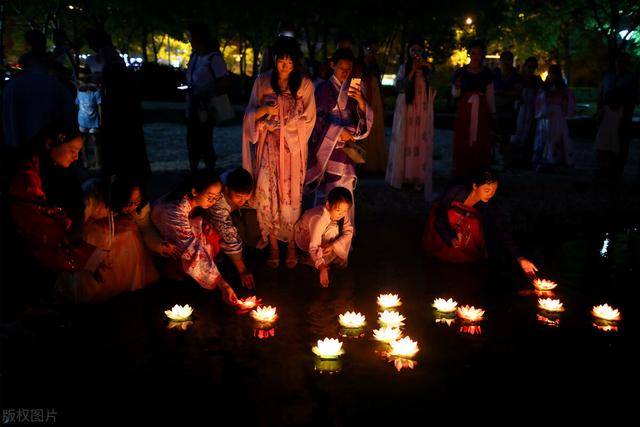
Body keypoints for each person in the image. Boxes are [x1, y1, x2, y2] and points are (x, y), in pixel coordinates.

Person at [242, 36, 316, 269]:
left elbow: (309, 119)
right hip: (268, 149)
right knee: (268, 194)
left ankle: (292, 244)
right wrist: (263, 112)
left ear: (296, 62)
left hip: (291, 149)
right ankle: (274, 245)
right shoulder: (262, 81)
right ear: (274, 59)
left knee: (290, 195)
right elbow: (249, 115)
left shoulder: (304, 85)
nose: (284, 65)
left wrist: (287, 126)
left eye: (289, 61)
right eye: (281, 60)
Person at [7, 123, 106, 290]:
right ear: (49, 144)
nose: (76, 157)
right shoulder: (26, 173)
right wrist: (85, 257)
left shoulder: (57, 169)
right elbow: (37, 221)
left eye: (78, 152)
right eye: (72, 150)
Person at [422, 168, 538, 277]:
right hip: (443, 226)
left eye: (493, 191)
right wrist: (449, 238)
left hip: (465, 235)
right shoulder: (456, 192)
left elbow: (502, 229)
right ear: (475, 186)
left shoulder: (488, 205)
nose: (490, 194)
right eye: (486, 190)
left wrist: (520, 258)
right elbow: (441, 216)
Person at [305, 48, 373, 225]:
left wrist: (361, 102)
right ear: (332, 65)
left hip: (347, 149)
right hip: (329, 149)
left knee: (346, 190)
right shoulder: (322, 89)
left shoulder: (353, 90)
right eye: (341, 67)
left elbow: (362, 118)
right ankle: (320, 232)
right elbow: (317, 119)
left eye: (348, 69)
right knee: (328, 192)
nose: (344, 72)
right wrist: (337, 130)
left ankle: (345, 235)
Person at [151, 171, 238, 305]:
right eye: (210, 197)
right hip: (163, 241)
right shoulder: (175, 210)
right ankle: (176, 276)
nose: (213, 201)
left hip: (183, 234)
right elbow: (192, 249)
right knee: (195, 250)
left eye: (216, 197)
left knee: (211, 234)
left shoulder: (191, 202)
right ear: (195, 191)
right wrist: (223, 285)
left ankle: (200, 275)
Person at [386, 38, 436, 196]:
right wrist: (413, 70)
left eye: (418, 50)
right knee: (406, 139)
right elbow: (400, 87)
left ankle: (418, 177)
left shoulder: (428, 68)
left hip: (422, 111)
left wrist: (428, 69)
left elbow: (436, 86)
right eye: (412, 50)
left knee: (419, 140)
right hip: (407, 110)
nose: (416, 53)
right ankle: (403, 175)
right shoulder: (404, 68)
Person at [185, 24, 231, 172]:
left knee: (204, 137)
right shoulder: (196, 56)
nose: (190, 41)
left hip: (205, 105)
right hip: (194, 103)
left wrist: (208, 95)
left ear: (200, 39)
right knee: (192, 137)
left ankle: (208, 169)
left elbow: (224, 81)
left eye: (192, 38)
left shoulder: (213, 58)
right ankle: (195, 168)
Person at [204, 167, 259, 289]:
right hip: (206, 218)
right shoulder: (218, 202)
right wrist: (243, 271)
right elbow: (227, 232)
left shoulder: (238, 179)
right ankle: (222, 257)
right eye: (239, 196)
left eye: (246, 196)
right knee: (221, 235)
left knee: (251, 220)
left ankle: (243, 249)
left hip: (230, 212)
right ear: (227, 189)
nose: (242, 200)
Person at [451, 39, 495, 178]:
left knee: (480, 137)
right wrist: (457, 87)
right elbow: (455, 94)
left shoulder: (486, 73)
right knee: (464, 135)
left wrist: (492, 112)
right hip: (466, 108)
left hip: (481, 109)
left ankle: (478, 169)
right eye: (473, 53)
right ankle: (462, 169)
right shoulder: (461, 72)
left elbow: (490, 93)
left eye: (479, 53)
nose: (476, 56)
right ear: (469, 53)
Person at [295, 186, 354, 287]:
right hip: (305, 236)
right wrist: (322, 267)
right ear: (328, 205)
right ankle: (309, 259)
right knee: (332, 231)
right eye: (338, 210)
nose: (342, 214)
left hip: (323, 234)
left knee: (335, 232)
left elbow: (348, 231)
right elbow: (314, 246)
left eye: (345, 211)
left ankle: (329, 255)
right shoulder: (319, 219)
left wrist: (333, 245)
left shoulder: (342, 213)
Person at [597, 52, 638, 177]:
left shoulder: (631, 79)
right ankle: (605, 168)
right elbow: (601, 95)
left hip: (623, 116)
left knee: (620, 142)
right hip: (607, 116)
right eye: (618, 61)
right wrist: (601, 110)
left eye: (622, 62)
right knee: (605, 141)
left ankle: (617, 169)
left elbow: (634, 98)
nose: (619, 64)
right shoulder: (608, 77)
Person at [532, 64, 575, 170]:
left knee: (556, 137)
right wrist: (546, 96)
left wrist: (559, 95)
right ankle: (544, 160)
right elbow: (538, 99)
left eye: (555, 74)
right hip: (545, 114)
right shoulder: (544, 87)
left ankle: (555, 160)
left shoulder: (564, 89)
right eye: (552, 73)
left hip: (557, 115)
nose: (553, 76)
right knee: (545, 137)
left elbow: (568, 99)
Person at [360, 39, 388, 175]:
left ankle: (376, 163)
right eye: (371, 50)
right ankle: (364, 163)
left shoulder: (374, 66)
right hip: (364, 95)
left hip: (374, 96)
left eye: (375, 51)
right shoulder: (359, 65)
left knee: (375, 127)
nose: (373, 53)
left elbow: (378, 83)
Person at [492, 51, 522, 170]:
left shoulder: (515, 75)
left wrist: (500, 92)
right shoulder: (495, 74)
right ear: (500, 61)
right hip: (495, 109)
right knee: (494, 134)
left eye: (509, 60)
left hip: (508, 110)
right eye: (504, 60)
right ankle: (494, 158)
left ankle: (504, 160)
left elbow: (518, 92)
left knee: (506, 136)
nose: (506, 62)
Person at [512, 57, 543, 168]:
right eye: (529, 67)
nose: (531, 69)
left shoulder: (537, 80)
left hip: (532, 110)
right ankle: (515, 159)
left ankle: (526, 160)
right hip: (521, 109)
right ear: (525, 67)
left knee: (529, 135)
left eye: (533, 67)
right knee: (518, 133)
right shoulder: (519, 79)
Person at [75, 68, 102, 168]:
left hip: (94, 121)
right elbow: (78, 104)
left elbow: (100, 106)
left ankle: (98, 162)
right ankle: (86, 162)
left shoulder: (96, 91)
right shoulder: (79, 91)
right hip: (82, 121)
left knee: (96, 142)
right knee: (83, 143)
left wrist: (101, 120)